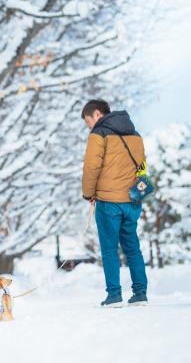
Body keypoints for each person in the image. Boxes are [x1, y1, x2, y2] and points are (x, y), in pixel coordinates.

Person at [81, 99, 148, 307]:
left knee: (109, 248)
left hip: (108, 201)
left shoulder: (98, 134)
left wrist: (88, 194)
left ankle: (114, 295)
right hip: (132, 200)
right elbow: (142, 166)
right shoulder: (135, 135)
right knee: (132, 248)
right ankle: (140, 294)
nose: (88, 126)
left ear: (98, 114)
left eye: (88, 121)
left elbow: (92, 167)